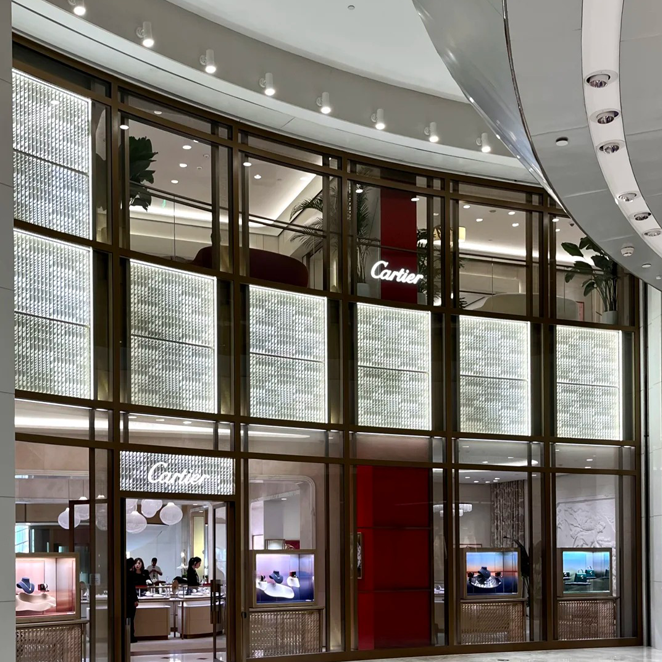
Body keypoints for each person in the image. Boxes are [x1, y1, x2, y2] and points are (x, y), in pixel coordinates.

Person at [126, 558, 139, 644]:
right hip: (130, 600)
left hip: (125, 599)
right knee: (131, 618)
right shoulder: (130, 574)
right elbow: (132, 589)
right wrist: (135, 599)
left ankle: (126, 635)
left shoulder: (122, 573)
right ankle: (131, 636)